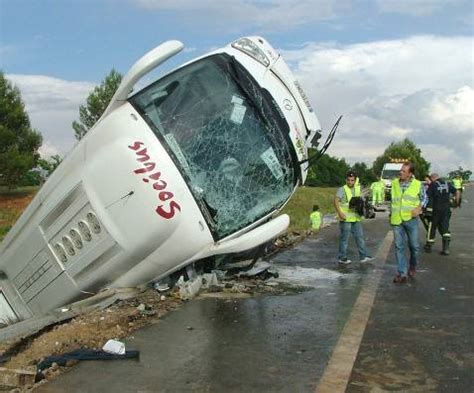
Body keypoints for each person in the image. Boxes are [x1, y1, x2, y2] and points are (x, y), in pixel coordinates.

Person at [390, 161, 426, 283]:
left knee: (414, 246)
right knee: (399, 246)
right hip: (397, 220)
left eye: (404, 171)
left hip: (411, 219)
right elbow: (393, 201)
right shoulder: (395, 183)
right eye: (401, 170)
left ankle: (413, 266)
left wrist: (419, 208)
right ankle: (402, 273)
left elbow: (425, 198)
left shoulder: (417, 184)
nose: (401, 172)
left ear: (410, 174)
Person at [334, 171, 373, 265]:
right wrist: (339, 213)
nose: (350, 182)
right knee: (344, 239)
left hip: (356, 218)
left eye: (352, 180)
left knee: (360, 237)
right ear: (346, 180)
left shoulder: (357, 189)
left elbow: (359, 201)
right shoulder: (342, 189)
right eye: (348, 180)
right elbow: (335, 201)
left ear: (355, 181)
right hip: (345, 218)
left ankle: (363, 256)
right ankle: (342, 258)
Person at [424, 173, 460, 255]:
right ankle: (446, 248)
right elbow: (457, 191)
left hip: (435, 210)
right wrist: (456, 202)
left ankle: (429, 246)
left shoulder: (433, 185)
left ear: (433, 178)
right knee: (445, 227)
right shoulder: (447, 183)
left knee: (432, 227)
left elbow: (427, 196)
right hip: (446, 210)